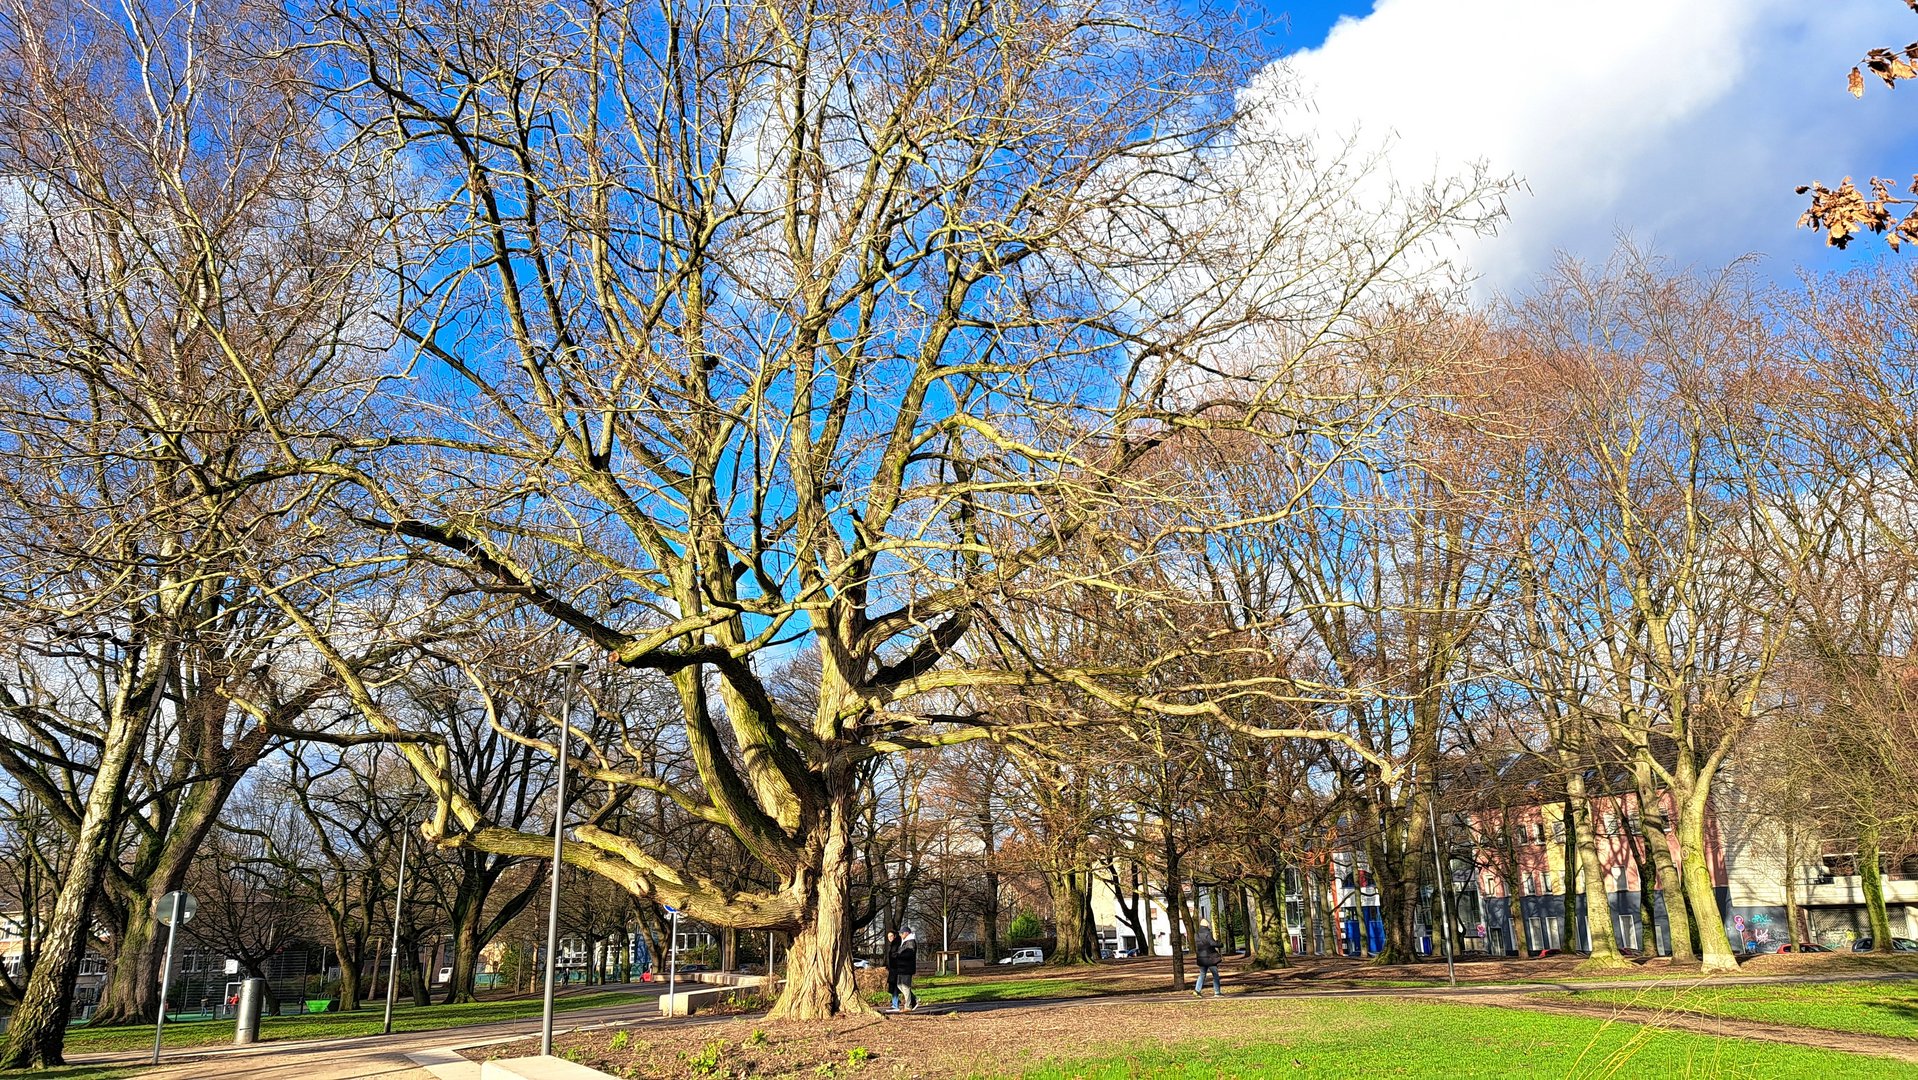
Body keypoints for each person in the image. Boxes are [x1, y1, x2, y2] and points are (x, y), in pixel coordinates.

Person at [890, 928, 919, 1011]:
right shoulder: (905, 942)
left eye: (902, 933)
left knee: (906, 986)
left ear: (906, 933)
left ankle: (908, 1006)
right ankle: (913, 999)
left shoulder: (911, 942)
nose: (900, 935)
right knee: (899, 985)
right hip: (902, 967)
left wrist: (898, 955)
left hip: (907, 968)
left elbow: (909, 954)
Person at [1192, 920, 1222, 997]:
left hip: (1201, 957)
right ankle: (1217, 992)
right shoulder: (1207, 933)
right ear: (1207, 925)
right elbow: (1212, 943)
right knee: (1215, 974)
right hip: (1210, 957)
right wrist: (1219, 944)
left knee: (1202, 974)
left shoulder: (1196, 934)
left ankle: (1197, 990)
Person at [883, 930, 901, 1011]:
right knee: (896, 986)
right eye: (888, 937)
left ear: (894, 936)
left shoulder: (896, 945)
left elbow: (895, 956)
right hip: (893, 968)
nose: (889, 938)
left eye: (891, 936)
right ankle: (895, 1003)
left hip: (896, 969)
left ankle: (895, 1004)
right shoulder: (893, 945)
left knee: (896, 986)